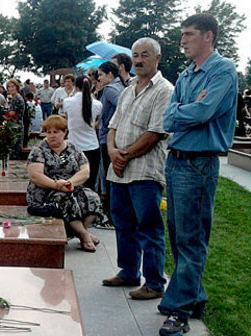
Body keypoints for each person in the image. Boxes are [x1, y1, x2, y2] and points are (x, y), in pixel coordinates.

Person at [158, 14, 238, 336]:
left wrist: (185, 110)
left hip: (199, 164)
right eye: (182, 35)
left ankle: (179, 312)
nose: (183, 40)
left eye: (189, 35)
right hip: (176, 162)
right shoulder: (187, 74)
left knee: (191, 239)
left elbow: (204, 112)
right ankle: (195, 295)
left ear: (208, 36)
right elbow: (168, 118)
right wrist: (186, 110)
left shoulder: (223, 70)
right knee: (178, 236)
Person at [102, 38, 173, 304]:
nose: (139, 60)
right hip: (119, 170)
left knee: (149, 226)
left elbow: (155, 133)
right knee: (123, 222)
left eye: (145, 55)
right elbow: (112, 126)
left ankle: (154, 282)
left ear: (157, 58)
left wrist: (124, 156)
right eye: (135, 55)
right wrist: (112, 152)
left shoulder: (165, 90)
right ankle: (128, 271)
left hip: (144, 171)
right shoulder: (128, 88)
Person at [27, 115, 103, 252]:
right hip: (44, 191)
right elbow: (35, 175)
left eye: (56, 132)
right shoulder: (39, 150)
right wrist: (56, 184)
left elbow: (85, 171)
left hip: (70, 186)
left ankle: (80, 232)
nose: (51, 136)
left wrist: (69, 183)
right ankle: (85, 235)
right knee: (64, 198)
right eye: (48, 132)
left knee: (93, 198)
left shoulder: (73, 148)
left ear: (65, 132)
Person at [96, 61, 126, 217]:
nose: (99, 78)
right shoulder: (120, 86)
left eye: (101, 75)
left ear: (110, 74)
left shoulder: (110, 89)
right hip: (115, 135)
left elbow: (124, 105)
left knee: (108, 176)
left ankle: (109, 212)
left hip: (108, 136)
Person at [64, 76, 102, 190]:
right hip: (92, 146)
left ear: (75, 86)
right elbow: (96, 122)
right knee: (90, 182)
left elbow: (67, 120)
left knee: (73, 182)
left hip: (73, 145)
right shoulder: (97, 104)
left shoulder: (68, 102)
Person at [6, 79, 26, 158]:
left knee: (15, 152)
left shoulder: (17, 98)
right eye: (9, 87)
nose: (11, 88)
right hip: (13, 126)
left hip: (16, 127)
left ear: (17, 87)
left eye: (12, 86)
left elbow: (11, 114)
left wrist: (2, 114)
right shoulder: (14, 98)